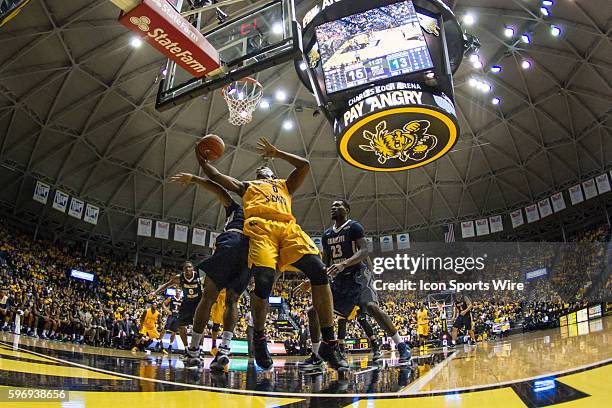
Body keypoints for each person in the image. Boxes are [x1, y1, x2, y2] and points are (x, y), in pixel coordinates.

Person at [198, 137, 347, 371]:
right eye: (258, 169)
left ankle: (329, 342)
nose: (260, 168)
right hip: (261, 228)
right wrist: (202, 161)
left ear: (270, 172)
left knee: (319, 270)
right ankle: (259, 338)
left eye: (264, 168)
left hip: (288, 229)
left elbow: (304, 165)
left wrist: (277, 152)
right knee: (265, 280)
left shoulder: (284, 185)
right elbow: (216, 177)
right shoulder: (248, 186)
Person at [298, 200, 411, 368]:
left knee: (371, 306)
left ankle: (402, 346)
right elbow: (325, 263)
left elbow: (364, 250)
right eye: (332, 205)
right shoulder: (327, 235)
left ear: (347, 210)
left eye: (338, 205)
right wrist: (310, 280)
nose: (333, 207)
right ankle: (316, 356)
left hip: (359, 274)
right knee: (313, 311)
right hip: (340, 280)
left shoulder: (354, 227)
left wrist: (344, 263)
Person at [166, 173, 250, 371]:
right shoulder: (265, 216)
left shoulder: (237, 209)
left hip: (231, 242)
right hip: (250, 253)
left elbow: (220, 190)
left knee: (207, 298)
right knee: (233, 301)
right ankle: (224, 350)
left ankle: (194, 351)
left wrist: (195, 178)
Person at [150, 261, 203, 353]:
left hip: (198, 301)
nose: (187, 269)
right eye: (185, 268)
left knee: (200, 325)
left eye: (189, 267)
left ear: (193, 268)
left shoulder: (199, 276)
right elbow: (166, 285)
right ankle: (186, 349)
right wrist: (155, 292)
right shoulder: (179, 278)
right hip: (186, 302)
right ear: (183, 270)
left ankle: (200, 349)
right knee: (181, 326)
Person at [162, 288, 183, 353]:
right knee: (164, 329)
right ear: (175, 292)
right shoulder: (171, 298)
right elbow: (163, 304)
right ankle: (159, 341)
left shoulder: (182, 300)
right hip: (171, 316)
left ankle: (170, 346)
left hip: (177, 317)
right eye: (177, 291)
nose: (178, 292)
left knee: (174, 332)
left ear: (180, 293)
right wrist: (167, 310)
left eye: (179, 291)